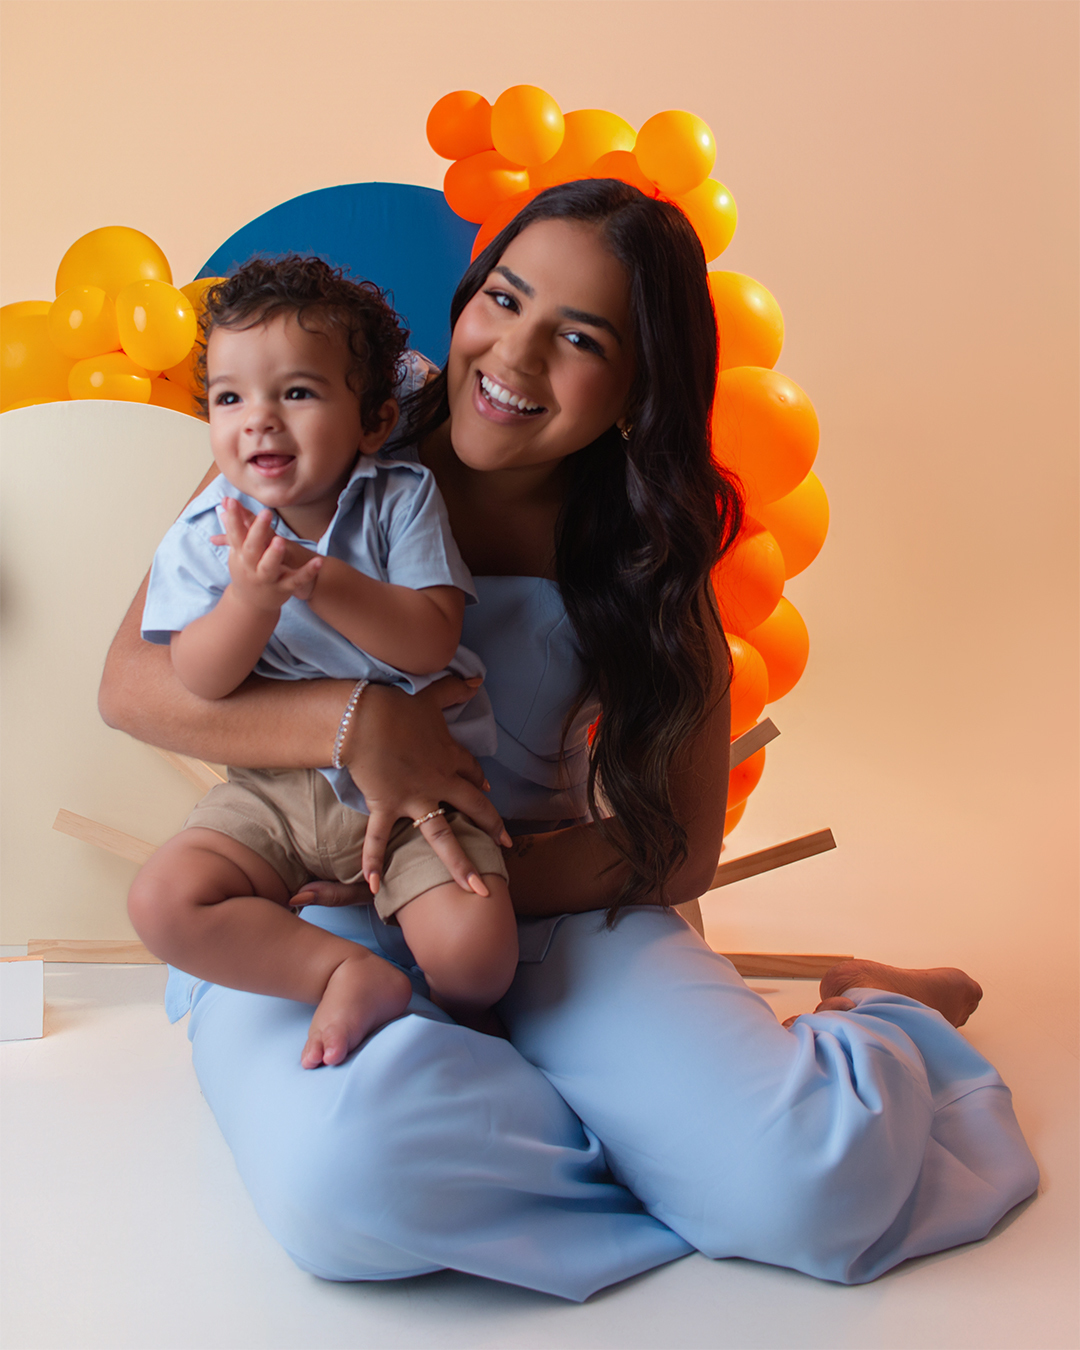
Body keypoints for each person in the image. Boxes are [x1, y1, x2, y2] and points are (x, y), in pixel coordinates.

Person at [99, 180, 1038, 1301]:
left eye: (581, 338)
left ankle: (876, 1022)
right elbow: (132, 685)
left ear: (641, 385)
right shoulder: (324, 416)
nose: (515, 356)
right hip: (312, 905)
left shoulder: (644, 543)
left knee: (809, 1188)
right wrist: (361, 723)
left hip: (531, 899)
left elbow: (677, 848)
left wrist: (472, 874)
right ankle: (658, 1139)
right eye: (504, 299)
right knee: (344, 1187)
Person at [129, 257, 518, 1068]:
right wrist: (250, 601)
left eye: (297, 393)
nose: (259, 422)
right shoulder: (207, 531)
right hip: (270, 792)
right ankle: (343, 970)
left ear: (373, 421)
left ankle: (459, 1014)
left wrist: (319, 579)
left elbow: (429, 640)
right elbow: (200, 680)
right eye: (230, 399)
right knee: (163, 901)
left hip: (411, 787)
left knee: (476, 962)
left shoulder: (400, 498)